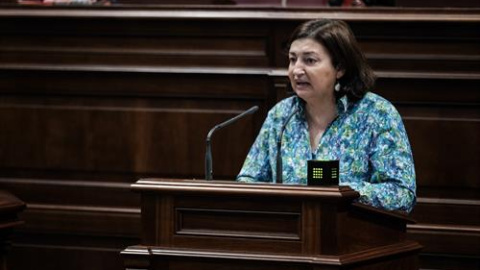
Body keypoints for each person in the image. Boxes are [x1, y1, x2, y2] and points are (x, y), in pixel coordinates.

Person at [236, 19, 416, 213]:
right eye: (292, 59)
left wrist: (338, 193)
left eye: (309, 60)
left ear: (340, 68)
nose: (296, 70)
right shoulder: (281, 115)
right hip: (286, 236)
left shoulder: (376, 114)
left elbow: (402, 194)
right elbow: (248, 180)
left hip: (354, 236)